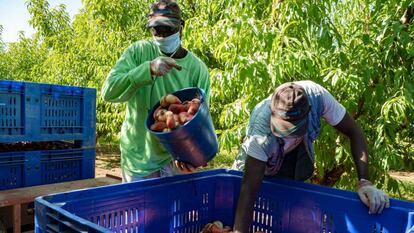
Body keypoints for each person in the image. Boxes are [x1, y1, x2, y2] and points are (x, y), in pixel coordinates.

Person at [231, 80, 389, 233]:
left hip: (297, 154)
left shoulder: (318, 96)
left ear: (308, 114)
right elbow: (249, 190)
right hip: (261, 161)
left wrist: (364, 182)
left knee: (288, 207)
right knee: (244, 199)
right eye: (281, 129)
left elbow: (354, 132)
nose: (286, 136)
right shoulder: (261, 134)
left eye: (292, 131)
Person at [101, 0, 210, 182]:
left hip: (175, 161)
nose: (162, 35)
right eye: (156, 30)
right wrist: (147, 69)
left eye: (168, 29)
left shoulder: (197, 69)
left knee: (173, 210)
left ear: (181, 27)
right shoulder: (138, 52)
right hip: (139, 160)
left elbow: (199, 120)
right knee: (140, 210)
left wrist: (192, 155)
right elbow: (108, 92)